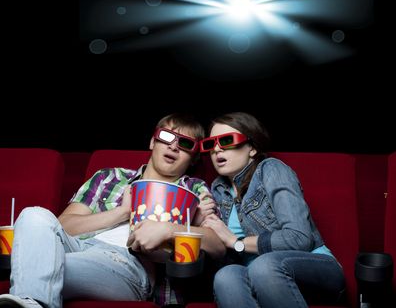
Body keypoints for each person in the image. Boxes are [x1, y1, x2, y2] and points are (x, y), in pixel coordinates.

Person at [0, 113, 224, 308]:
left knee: (38, 264)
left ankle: (31, 292)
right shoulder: (110, 178)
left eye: (185, 144)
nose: (173, 146)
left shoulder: (194, 190)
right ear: (152, 142)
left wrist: (169, 229)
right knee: (33, 214)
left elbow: (218, 246)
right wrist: (123, 212)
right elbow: (64, 226)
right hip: (76, 247)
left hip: (126, 264)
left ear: (193, 158)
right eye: (166, 137)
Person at [200, 112, 345, 308]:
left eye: (226, 140)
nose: (216, 150)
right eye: (210, 144)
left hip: (316, 270)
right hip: (258, 279)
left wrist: (237, 243)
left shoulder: (271, 170)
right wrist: (199, 220)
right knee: (226, 276)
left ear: (252, 147)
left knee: (263, 266)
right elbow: (224, 255)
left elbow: (299, 238)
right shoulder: (217, 189)